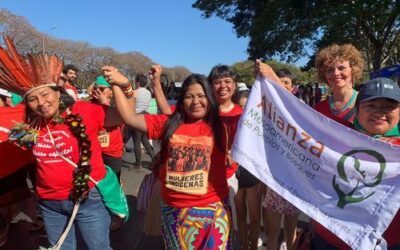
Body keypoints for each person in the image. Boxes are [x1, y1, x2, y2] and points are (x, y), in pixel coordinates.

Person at [0, 38, 125, 249]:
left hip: (89, 200)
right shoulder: (27, 126)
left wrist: (124, 87)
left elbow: (123, 117)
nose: (41, 103)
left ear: (58, 92)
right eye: (33, 99)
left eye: (45, 94)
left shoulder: (83, 111)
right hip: (49, 205)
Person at [105, 66, 233, 249]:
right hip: (175, 213)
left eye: (201, 96)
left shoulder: (221, 123)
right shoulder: (169, 123)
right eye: (189, 96)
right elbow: (129, 118)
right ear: (182, 100)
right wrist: (120, 84)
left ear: (210, 98)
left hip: (213, 211)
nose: (196, 101)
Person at [310, 77, 400, 249]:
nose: (380, 113)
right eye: (371, 106)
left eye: (389, 107)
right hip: (330, 240)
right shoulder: (335, 134)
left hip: (388, 242)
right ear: (357, 110)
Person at [232, 89, 263, 250]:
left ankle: (253, 246)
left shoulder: (259, 126)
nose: (243, 111)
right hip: (235, 171)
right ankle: (244, 245)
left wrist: (262, 179)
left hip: (252, 173)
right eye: (240, 107)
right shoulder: (231, 123)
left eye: (247, 107)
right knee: (240, 213)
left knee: (255, 216)